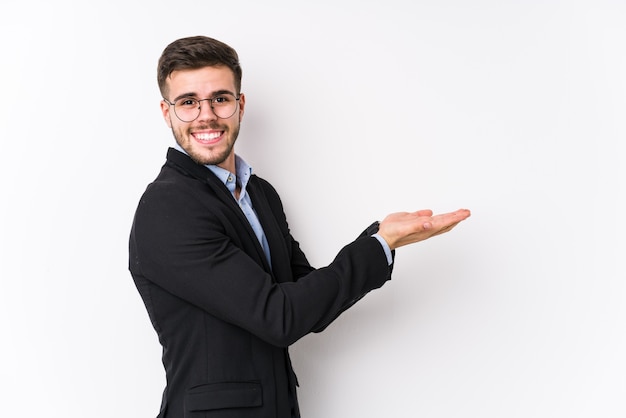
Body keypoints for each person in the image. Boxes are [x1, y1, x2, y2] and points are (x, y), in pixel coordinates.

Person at [128, 35, 471, 418]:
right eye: (188, 102)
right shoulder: (168, 207)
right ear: (166, 111)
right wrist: (377, 246)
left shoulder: (260, 194)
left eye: (220, 99)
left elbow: (306, 302)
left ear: (239, 106)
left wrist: (382, 240)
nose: (206, 115)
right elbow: (280, 317)